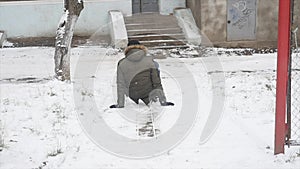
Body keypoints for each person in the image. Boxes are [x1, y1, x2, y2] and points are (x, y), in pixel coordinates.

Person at [110, 40, 174, 108]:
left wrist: (120, 104)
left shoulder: (122, 63)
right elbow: (156, 82)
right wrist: (163, 101)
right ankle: (152, 98)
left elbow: (120, 84)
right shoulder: (149, 60)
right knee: (155, 67)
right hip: (147, 93)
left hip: (131, 93)